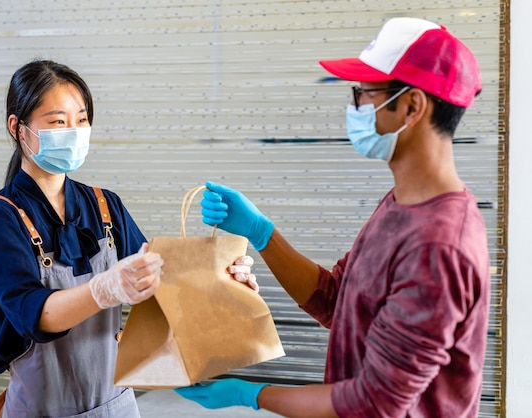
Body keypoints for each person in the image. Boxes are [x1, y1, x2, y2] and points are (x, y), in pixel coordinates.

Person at [174, 17, 490, 418]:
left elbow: (375, 404)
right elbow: (336, 302)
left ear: (411, 106)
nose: (354, 106)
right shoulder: (402, 203)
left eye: (363, 94)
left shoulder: (438, 244)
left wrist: (251, 395)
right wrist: (262, 232)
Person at [0, 59, 257, 417]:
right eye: (58, 121)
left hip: (118, 405)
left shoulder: (105, 205)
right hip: (41, 408)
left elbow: (163, 282)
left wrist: (224, 277)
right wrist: (102, 290)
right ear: (18, 128)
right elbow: (31, 313)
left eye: (81, 119)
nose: (74, 131)